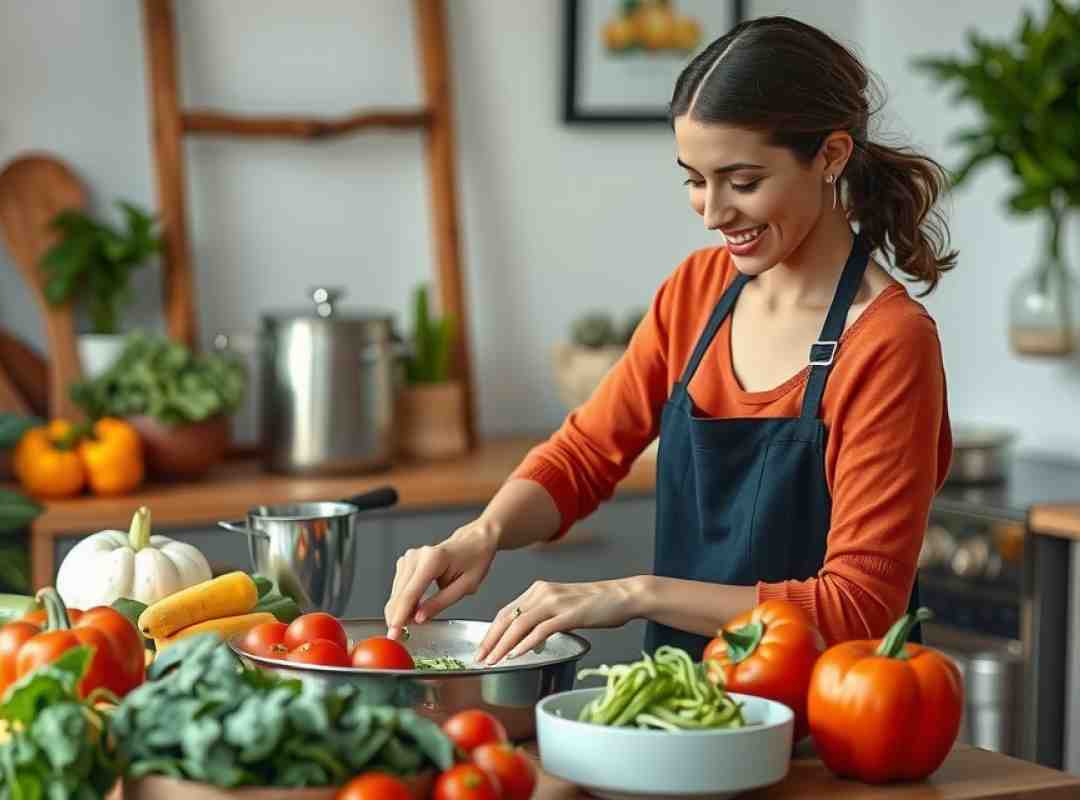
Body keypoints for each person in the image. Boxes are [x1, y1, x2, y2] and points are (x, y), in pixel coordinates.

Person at [384, 16, 955, 663]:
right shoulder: (698, 290)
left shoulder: (889, 344)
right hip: (687, 710)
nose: (713, 213)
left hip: (834, 730)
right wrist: (482, 533)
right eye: (694, 179)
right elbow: (584, 454)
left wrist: (636, 594)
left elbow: (857, 611)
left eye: (743, 182)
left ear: (831, 155)